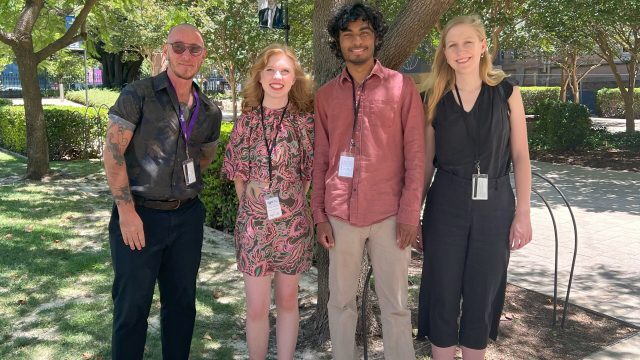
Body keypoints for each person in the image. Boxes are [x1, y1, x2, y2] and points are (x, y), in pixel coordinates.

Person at [312, 3, 425, 359]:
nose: (356, 41)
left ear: (375, 38)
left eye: (364, 33)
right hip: (340, 217)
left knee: (395, 306)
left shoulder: (402, 87)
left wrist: (410, 213)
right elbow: (321, 160)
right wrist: (318, 215)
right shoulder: (326, 96)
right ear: (338, 42)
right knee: (340, 303)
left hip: (390, 215)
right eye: (348, 34)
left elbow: (416, 156)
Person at [416, 15, 533, 360]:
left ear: (483, 46)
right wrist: (415, 214)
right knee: (443, 288)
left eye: (468, 42)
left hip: (495, 204)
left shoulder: (507, 92)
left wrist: (523, 213)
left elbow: (522, 157)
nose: (460, 51)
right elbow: (425, 163)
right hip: (446, 203)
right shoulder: (433, 96)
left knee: (482, 291)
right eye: (452, 45)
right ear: (445, 52)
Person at [103, 24, 222, 359]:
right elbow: (112, 154)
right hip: (139, 216)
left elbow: (205, 158)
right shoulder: (137, 94)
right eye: (179, 47)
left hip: (187, 218)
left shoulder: (210, 110)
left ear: (203, 56)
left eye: (194, 49)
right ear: (166, 50)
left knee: (182, 304)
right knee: (131, 307)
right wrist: (127, 212)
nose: (187, 55)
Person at [222, 43, 314, 360]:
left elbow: (307, 177)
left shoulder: (304, 123)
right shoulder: (246, 122)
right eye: (271, 70)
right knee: (257, 307)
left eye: (284, 71)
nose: (277, 76)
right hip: (253, 229)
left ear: (294, 79)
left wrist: (288, 206)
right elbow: (237, 175)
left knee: (288, 302)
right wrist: (256, 213)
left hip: (292, 229)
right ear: (260, 77)